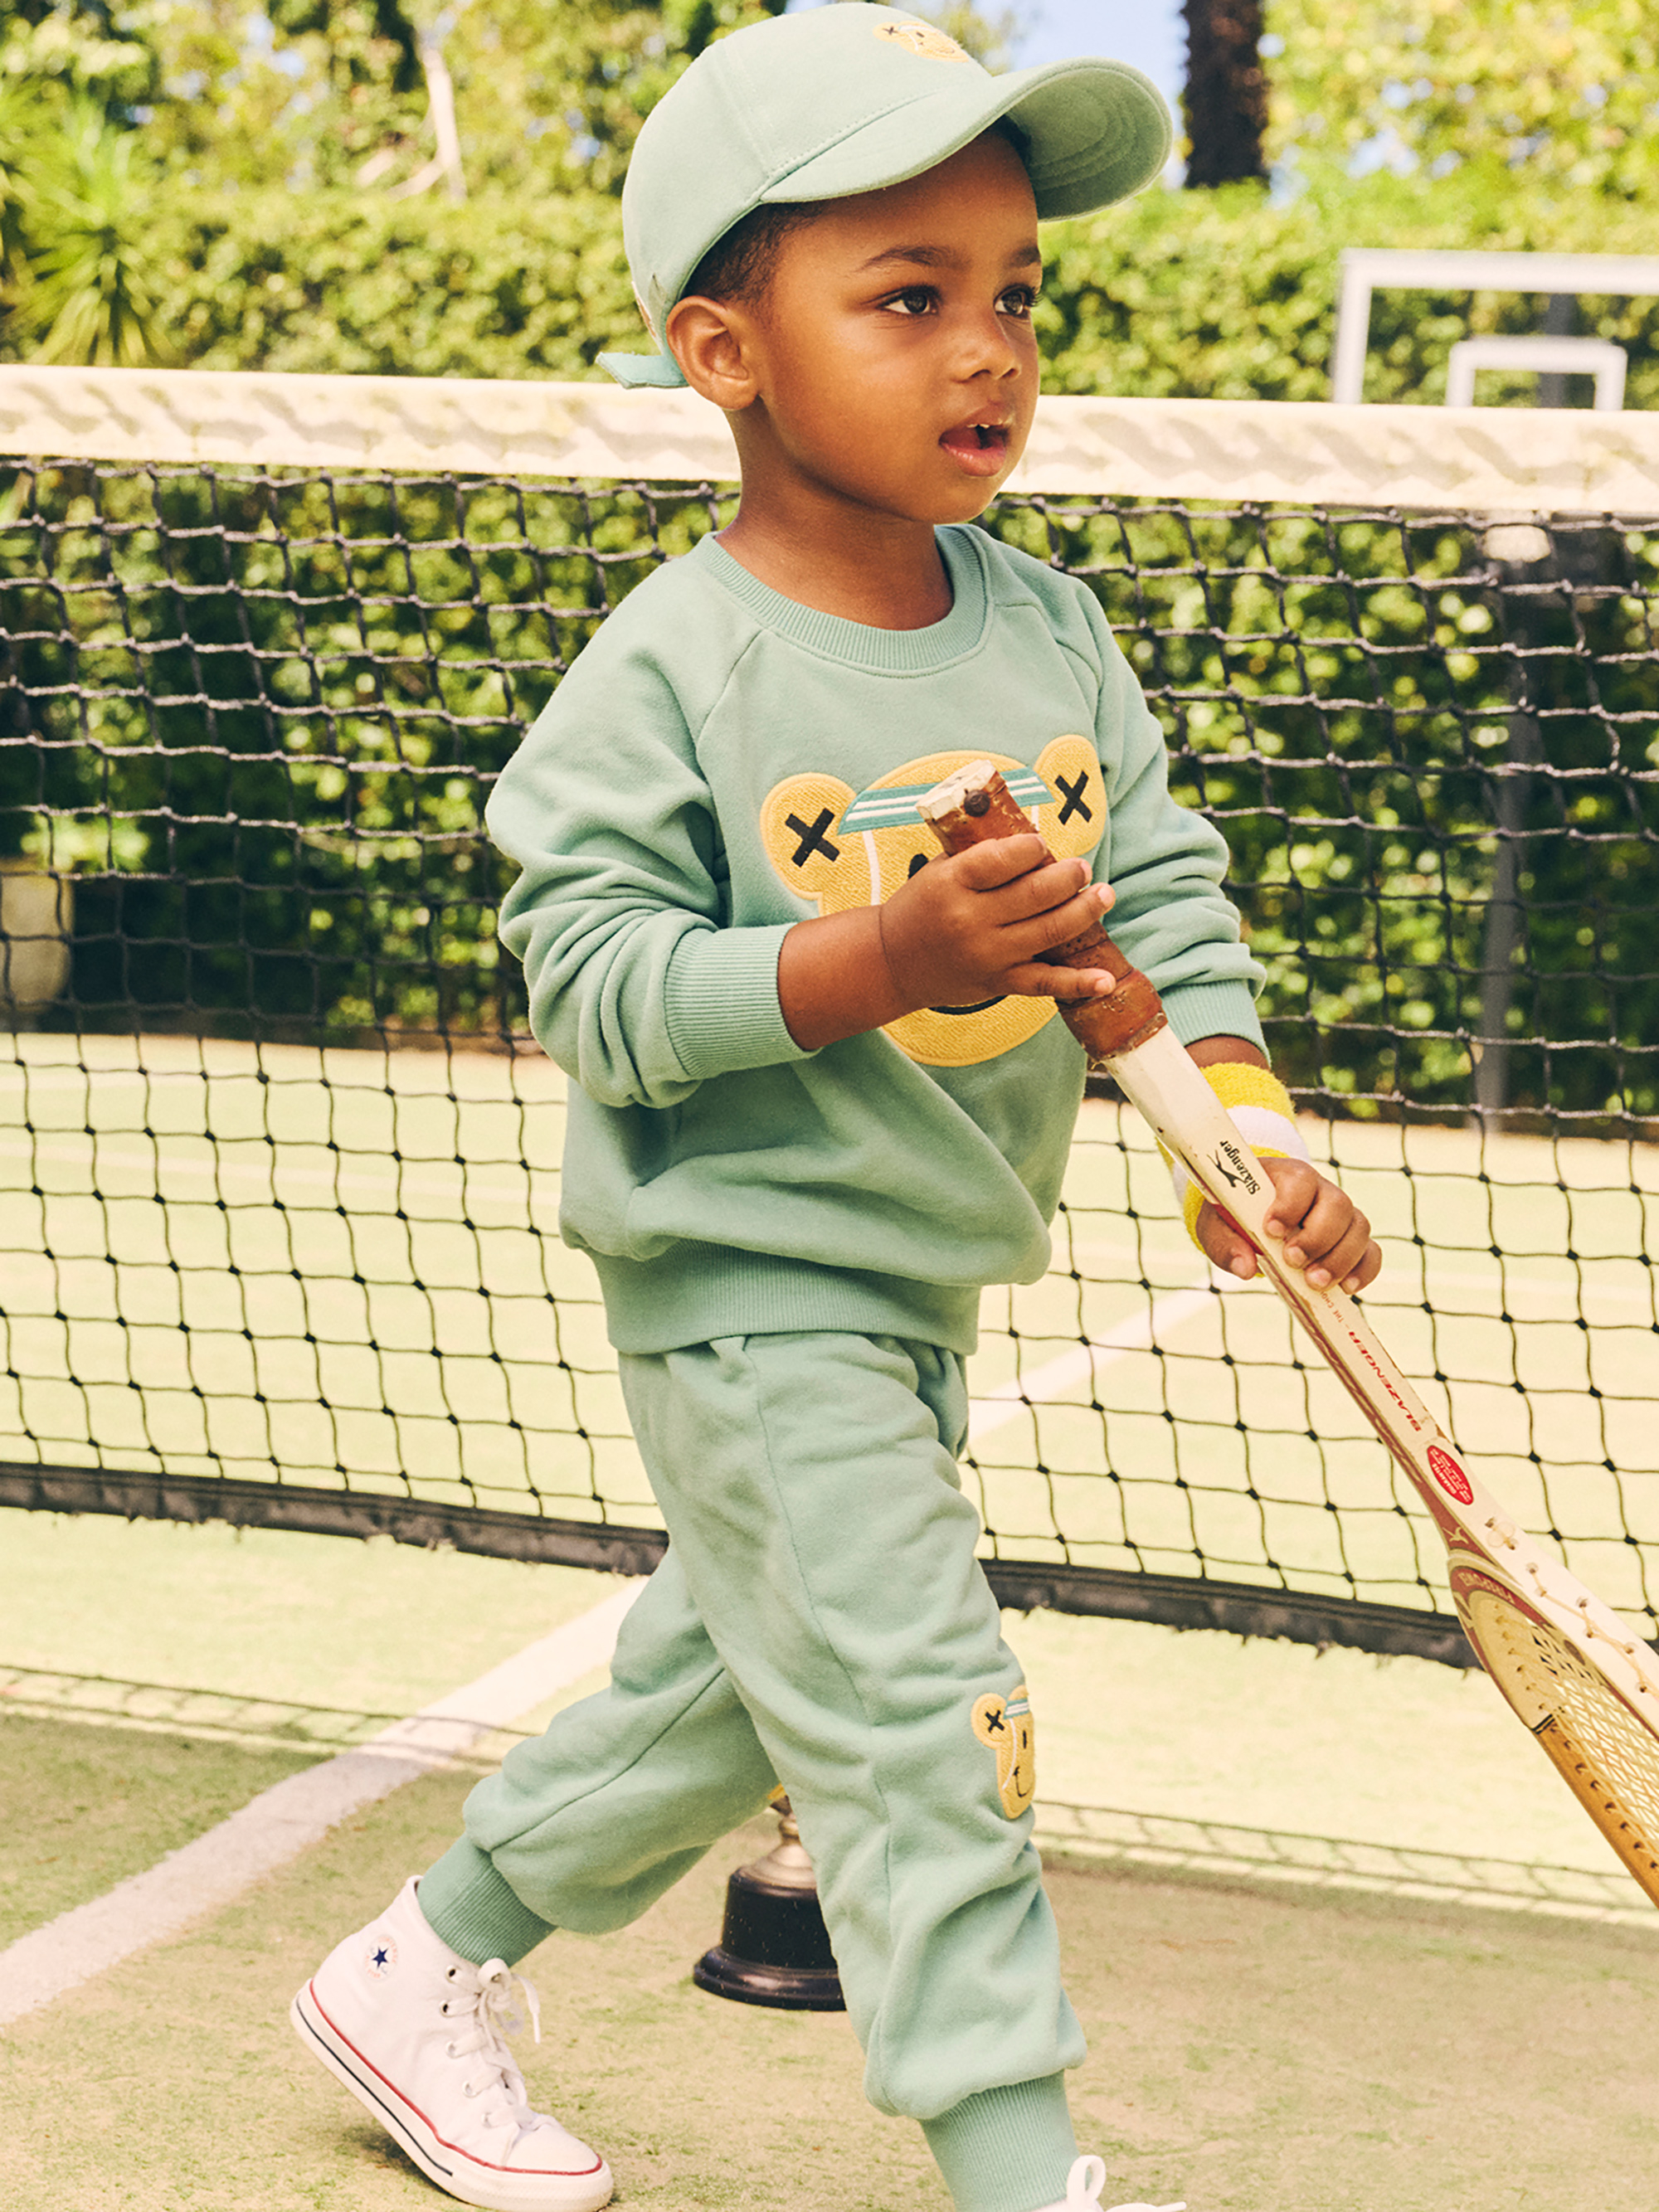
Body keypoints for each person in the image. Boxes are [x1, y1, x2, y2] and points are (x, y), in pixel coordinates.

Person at [290, 12, 1380, 2212]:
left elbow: (1157, 902)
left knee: (740, 1693)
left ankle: (427, 1965)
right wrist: (893, 954)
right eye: (908, 295)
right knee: (923, 1709)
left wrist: (1243, 1130)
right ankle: (1015, 2172)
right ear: (726, 348)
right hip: (745, 1278)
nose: (987, 347)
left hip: (925, 1285)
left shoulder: (1055, 631)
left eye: (1016, 294)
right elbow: (594, 989)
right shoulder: (671, 669)